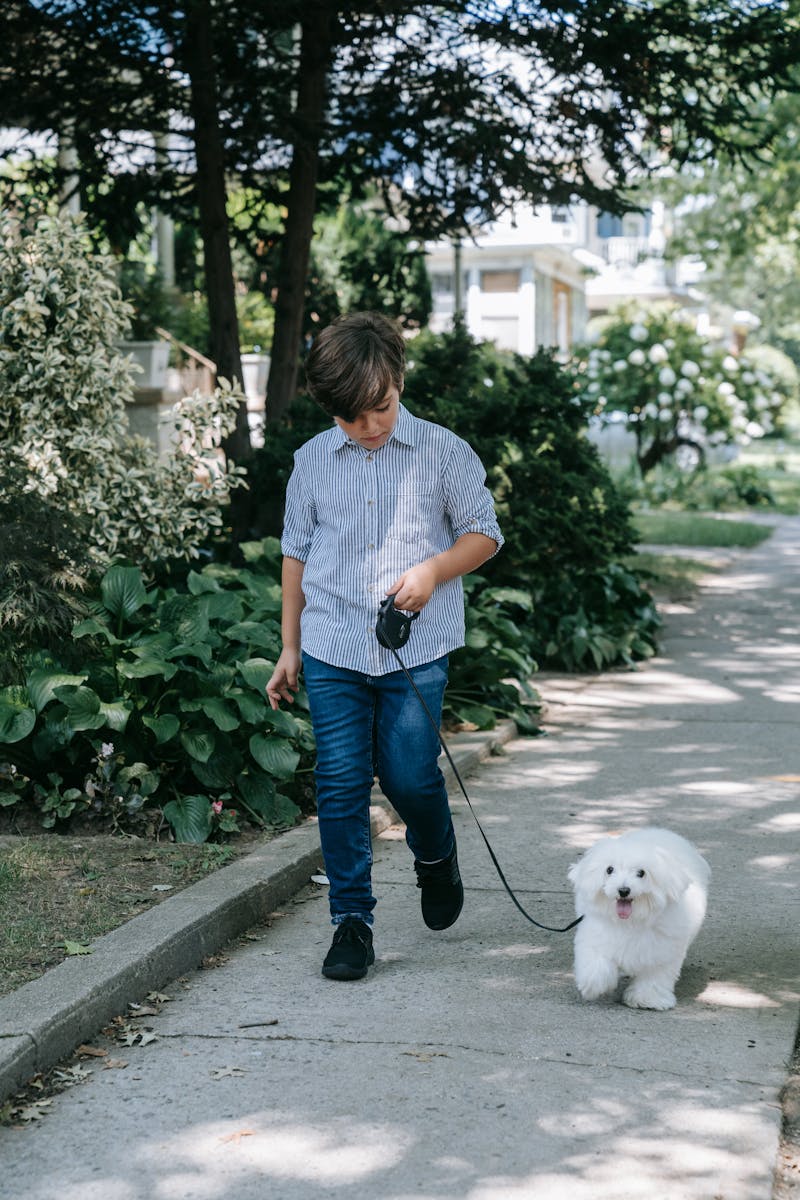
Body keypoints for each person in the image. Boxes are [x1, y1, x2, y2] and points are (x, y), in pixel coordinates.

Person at [266, 312, 503, 981]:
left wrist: (433, 570)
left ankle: (436, 854)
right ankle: (352, 922)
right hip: (332, 646)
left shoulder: (443, 452)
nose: (369, 425)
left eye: (381, 408)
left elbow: (484, 533)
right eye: (351, 417)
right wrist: (290, 647)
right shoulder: (313, 461)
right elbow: (295, 556)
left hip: (414, 650)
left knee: (408, 776)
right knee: (340, 782)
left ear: (399, 381)